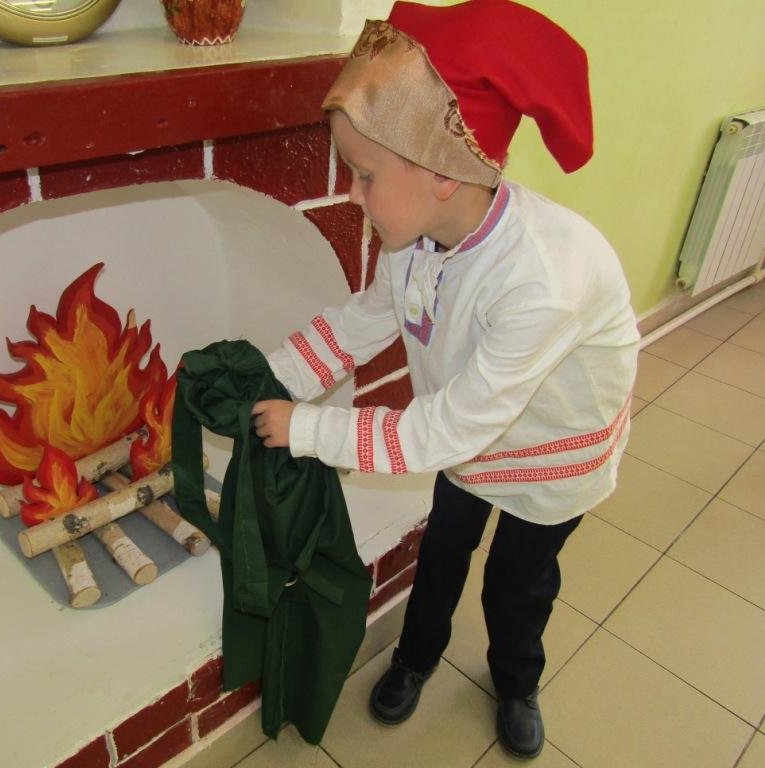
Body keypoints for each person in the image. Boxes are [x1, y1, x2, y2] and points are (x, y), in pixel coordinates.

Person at [251, 0, 639, 759]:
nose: (353, 196)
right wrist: (274, 374)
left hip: (548, 458)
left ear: (438, 172)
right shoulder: (415, 239)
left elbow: (450, 427)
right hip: (469, 438)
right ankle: (416, 656)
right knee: (442, 551)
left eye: (364, 175)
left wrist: (310, 430)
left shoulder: (542, 279)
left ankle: (516, 679)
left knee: (516, 584)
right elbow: (366, 320)